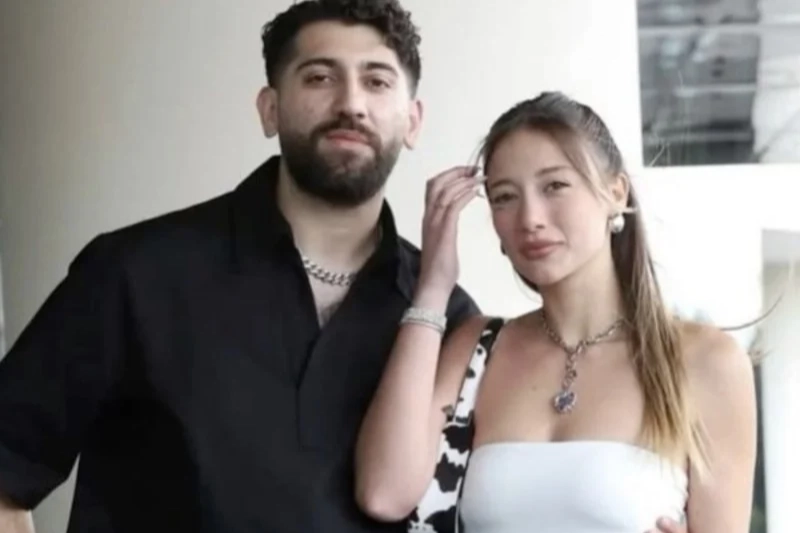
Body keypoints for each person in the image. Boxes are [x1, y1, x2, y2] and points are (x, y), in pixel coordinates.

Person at [0, 1, 483, 532]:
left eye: (377, 82)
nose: (351, 103)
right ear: (270, 110)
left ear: (412, 120)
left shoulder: (453, 324)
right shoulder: (132, 275)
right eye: (320, 77)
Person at [354, 92, 757, 533]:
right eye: (504, 197)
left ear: (616, 192)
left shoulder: (705, 362)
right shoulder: (477, 349)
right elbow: (383, 494)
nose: (530, 218)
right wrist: (433, 286)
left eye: (555, 186)